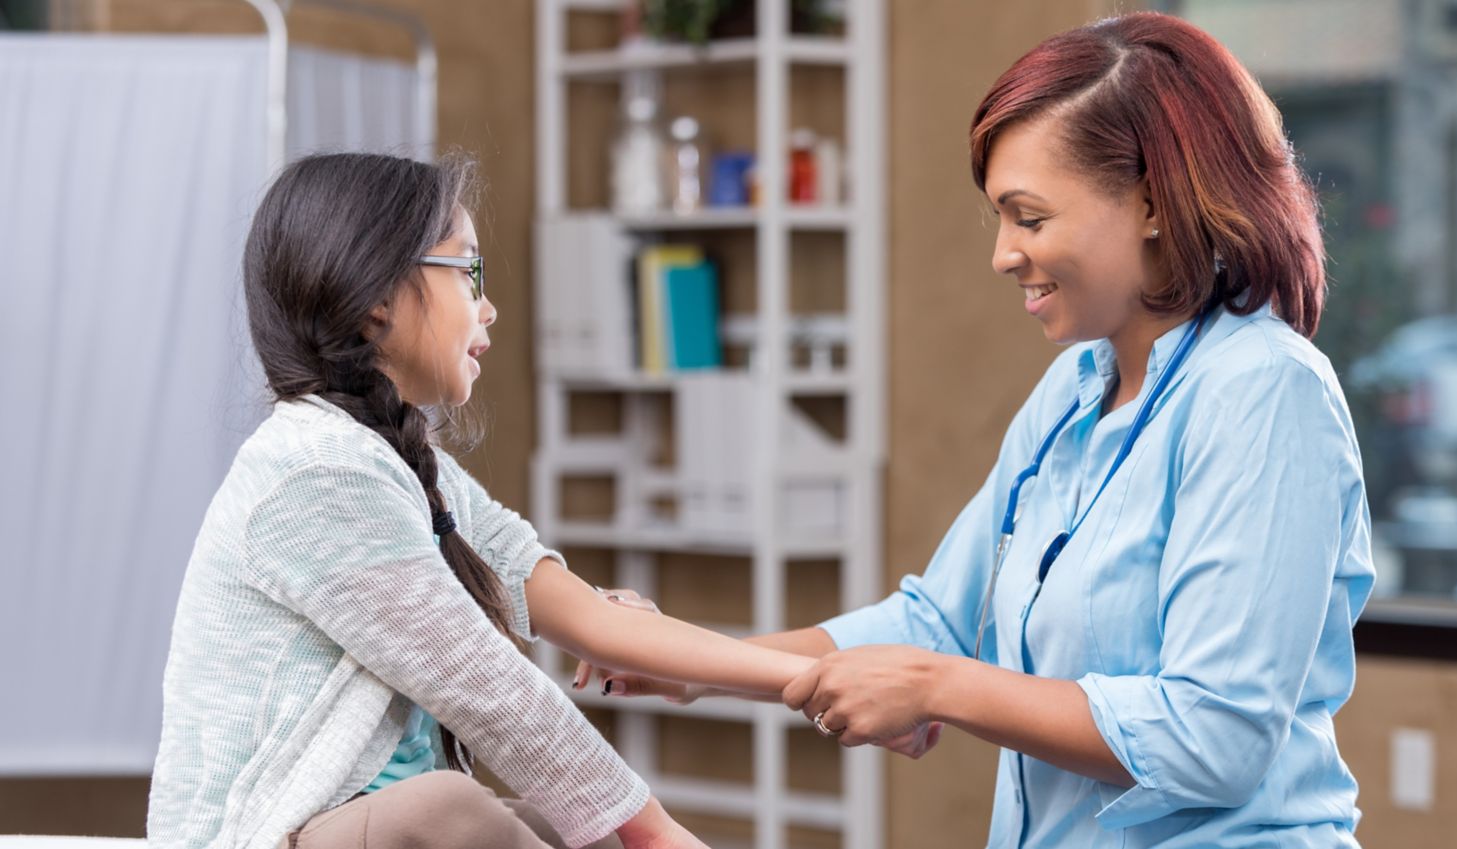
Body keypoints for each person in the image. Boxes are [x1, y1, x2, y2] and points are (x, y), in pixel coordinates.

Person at [594, 12, 1376, 848]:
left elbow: (1211, 735)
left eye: (1029, 217)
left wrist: (939, 687)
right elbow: (937, 620)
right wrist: (694, 665)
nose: (1003, 254)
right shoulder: (1076, 390)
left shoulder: (1263, 393)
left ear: (1151, 202)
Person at [146, 152, 816, 849]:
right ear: (377, 298)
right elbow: (487, 687)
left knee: (567, 825)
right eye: (470, 272)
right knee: (446, 809)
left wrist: (813, 679)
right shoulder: (315, 473)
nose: (488, 306)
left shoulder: (400, 463)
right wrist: (657, 833)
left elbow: (590, 618)